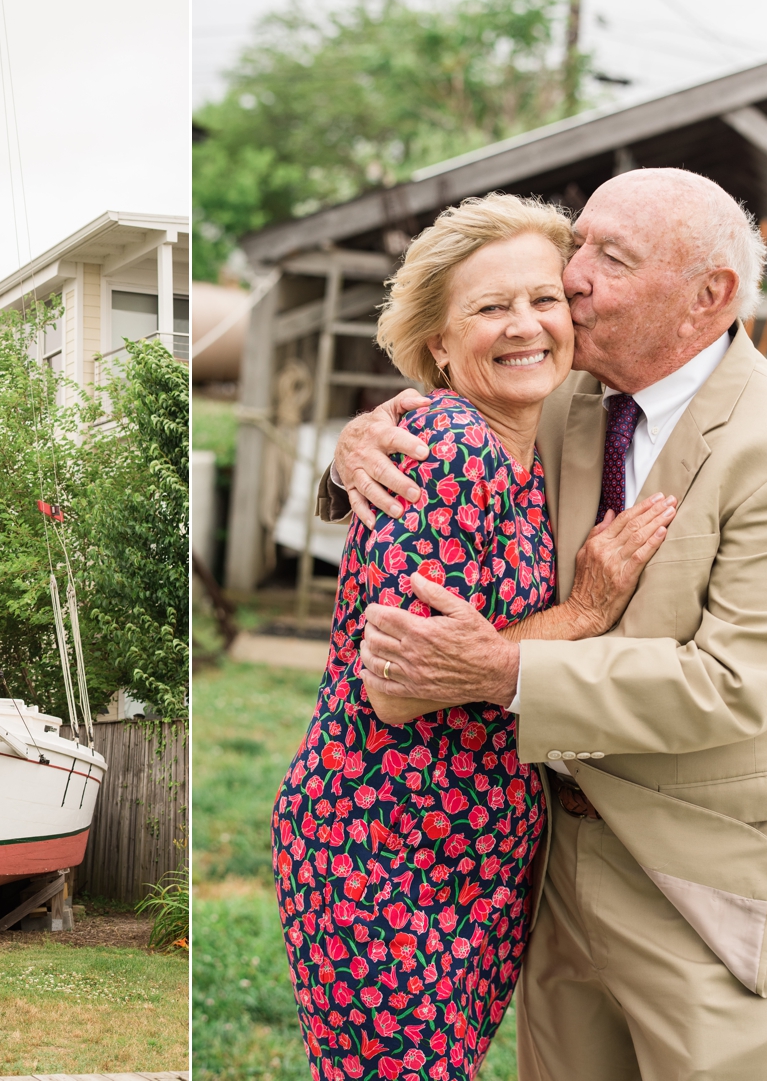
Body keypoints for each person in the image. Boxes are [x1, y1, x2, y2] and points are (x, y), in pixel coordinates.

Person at [323, 168, 767, 1079]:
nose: (572, 279)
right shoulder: (562, 389)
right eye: (581, 245)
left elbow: (736, 687)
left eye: (610, 257)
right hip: (548, 864)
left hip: (696, 883)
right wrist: (350, 453)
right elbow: (444, 439)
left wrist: (504, 673)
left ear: (709, 295)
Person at [272, 192, 676, 1081]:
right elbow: (398, 682)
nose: (525, 324)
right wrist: (583, 609)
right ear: (440, 347)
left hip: (469, 857)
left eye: (543, 299)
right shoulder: (453, 447)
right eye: (491, 307)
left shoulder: (530, 449)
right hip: (384, 852)